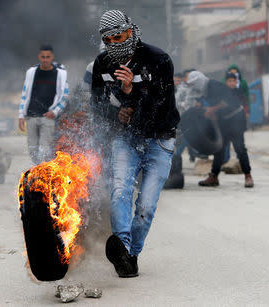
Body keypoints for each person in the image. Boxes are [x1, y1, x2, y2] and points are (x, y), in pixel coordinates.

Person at [91, 10, 179, 277]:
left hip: (160, 139)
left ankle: (132, 254)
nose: (117, 42)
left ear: (131, 31)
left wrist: (131, 92)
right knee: (120, 192)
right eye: (110, 39)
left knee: (146, 205)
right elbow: (96, 105)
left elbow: (161, 107)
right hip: (125, 139)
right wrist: (115, 113)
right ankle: (123, 249)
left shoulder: (158, 60)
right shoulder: (102, 64)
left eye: (121, 36)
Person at [187, 71, 254, 188]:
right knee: (219, 148)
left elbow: (226, 102)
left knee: (239, 148)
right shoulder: (204, 91)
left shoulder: (214, 86)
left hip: (236, 118)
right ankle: (214, 176)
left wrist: (212, 109)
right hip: (224, 121)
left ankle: (248, 176)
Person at [18, 44, 68, 164]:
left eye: (47, 57)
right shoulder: (31, 73)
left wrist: (55, 112)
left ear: (52, 57)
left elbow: (65, 97)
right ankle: (38, 169)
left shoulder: (60, 74)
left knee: (44, 149)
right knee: (33, 149)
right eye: (43, 57)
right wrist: (21, 115)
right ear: (39, 57)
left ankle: (42, 173)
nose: (45, 59)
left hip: (48, 117)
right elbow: (25, 94)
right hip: (31, 116)